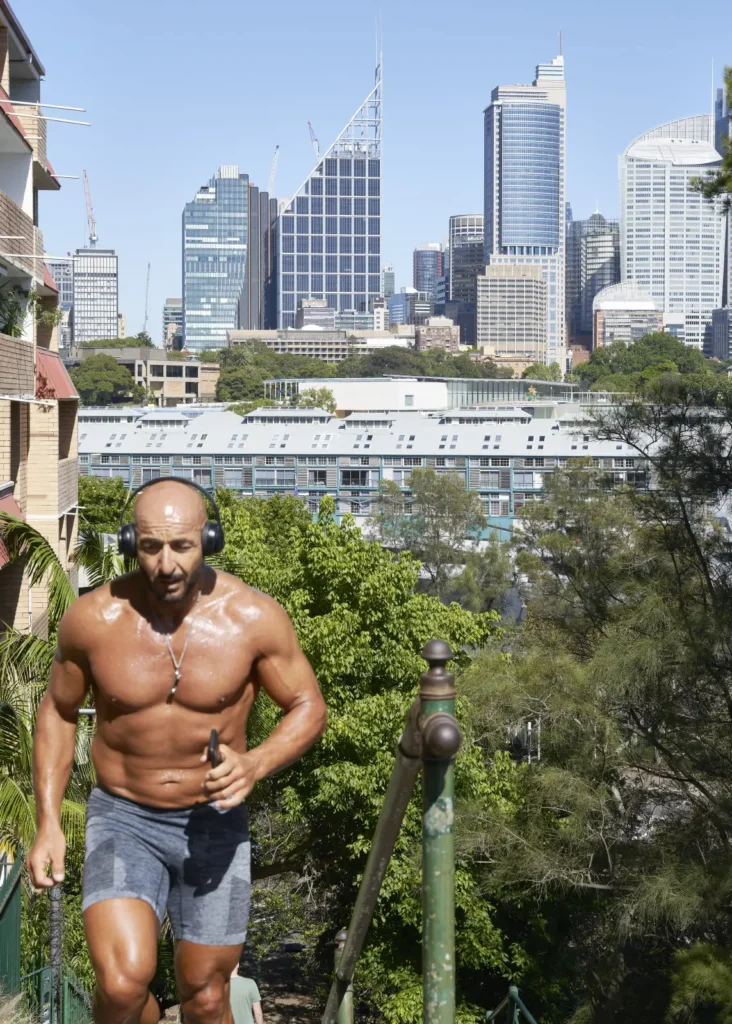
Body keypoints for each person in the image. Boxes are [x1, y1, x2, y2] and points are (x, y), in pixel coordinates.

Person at [28, 478, 327, 1024]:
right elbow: (58, 711)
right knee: (120, 987)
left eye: (182, 547)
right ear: (130, 543)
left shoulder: (252, 618)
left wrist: (256, 762)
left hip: (214, 822)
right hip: (123, 817)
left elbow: (308, 705)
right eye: (150, 547)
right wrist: (48, 821)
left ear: (207, 540)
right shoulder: (95, 620)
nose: (166, 564)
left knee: (207, 996)